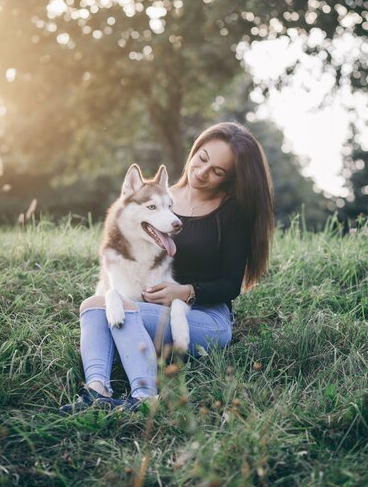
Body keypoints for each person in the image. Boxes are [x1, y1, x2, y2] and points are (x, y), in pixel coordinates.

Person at [60, 122, 274, 412]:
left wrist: (185, 291)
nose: (202, 172)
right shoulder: (158, 199)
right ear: (195, 150)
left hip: (206, 318)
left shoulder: (232, 212)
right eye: (202, 159)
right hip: (153, 310)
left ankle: (145, 397)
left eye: (217, 172)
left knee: (127, 310)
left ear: (230, 178)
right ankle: (97, 392)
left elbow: (230, 285)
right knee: (93, 306)